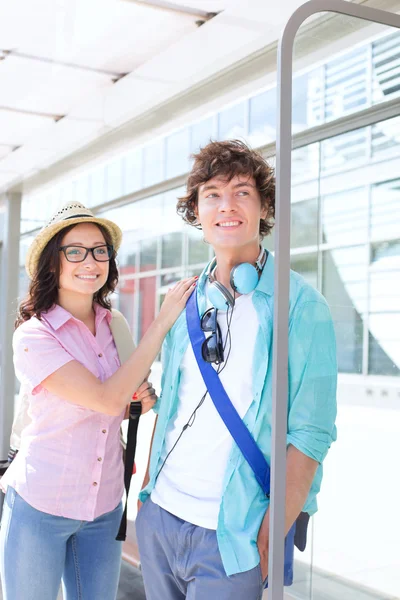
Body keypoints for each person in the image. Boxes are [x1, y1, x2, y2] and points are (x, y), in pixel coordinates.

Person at [136, 140, 337, 600]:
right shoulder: (182, 298)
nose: (226, 205)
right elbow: (172, 404)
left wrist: (268, 538)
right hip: (160, 517)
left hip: (233, 536)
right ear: (197, 212)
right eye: (212, 194)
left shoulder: (303, 307)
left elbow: (310, 434)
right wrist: (146, 493)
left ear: (264, 206)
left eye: (242, 192)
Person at [0, 202, 196, 600]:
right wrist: (161, 324)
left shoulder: (116, 324)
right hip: (41, 505)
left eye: (99, 250)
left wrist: (141, 398)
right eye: (75, 250)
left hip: (105, 507)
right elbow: (106, 399)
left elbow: (125, 403)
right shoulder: (34, 336)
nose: (90, 261)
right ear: (52, 263)